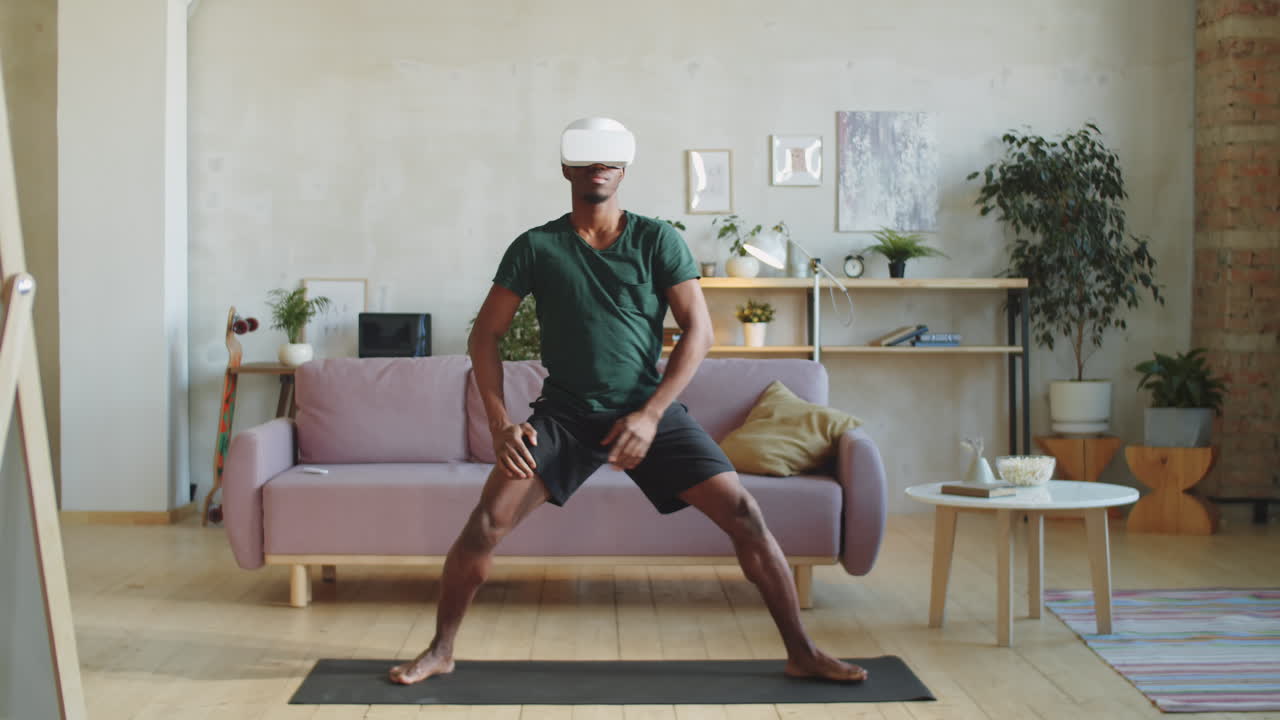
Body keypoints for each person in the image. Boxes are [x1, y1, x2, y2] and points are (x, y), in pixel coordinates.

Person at [389, 118, 866, 685]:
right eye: (586, 155)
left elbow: (699, 332)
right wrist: (500, 424)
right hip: (565, 415)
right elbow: (485, 335)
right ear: (566, 167)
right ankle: (441, 650)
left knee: (744, 513)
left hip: (645, 409)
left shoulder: (657, 240)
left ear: (624, 168)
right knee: (486, 524)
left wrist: (652, 414)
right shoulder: (536, 247)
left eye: (610, 156)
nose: (599, 164)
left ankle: (802, 652)